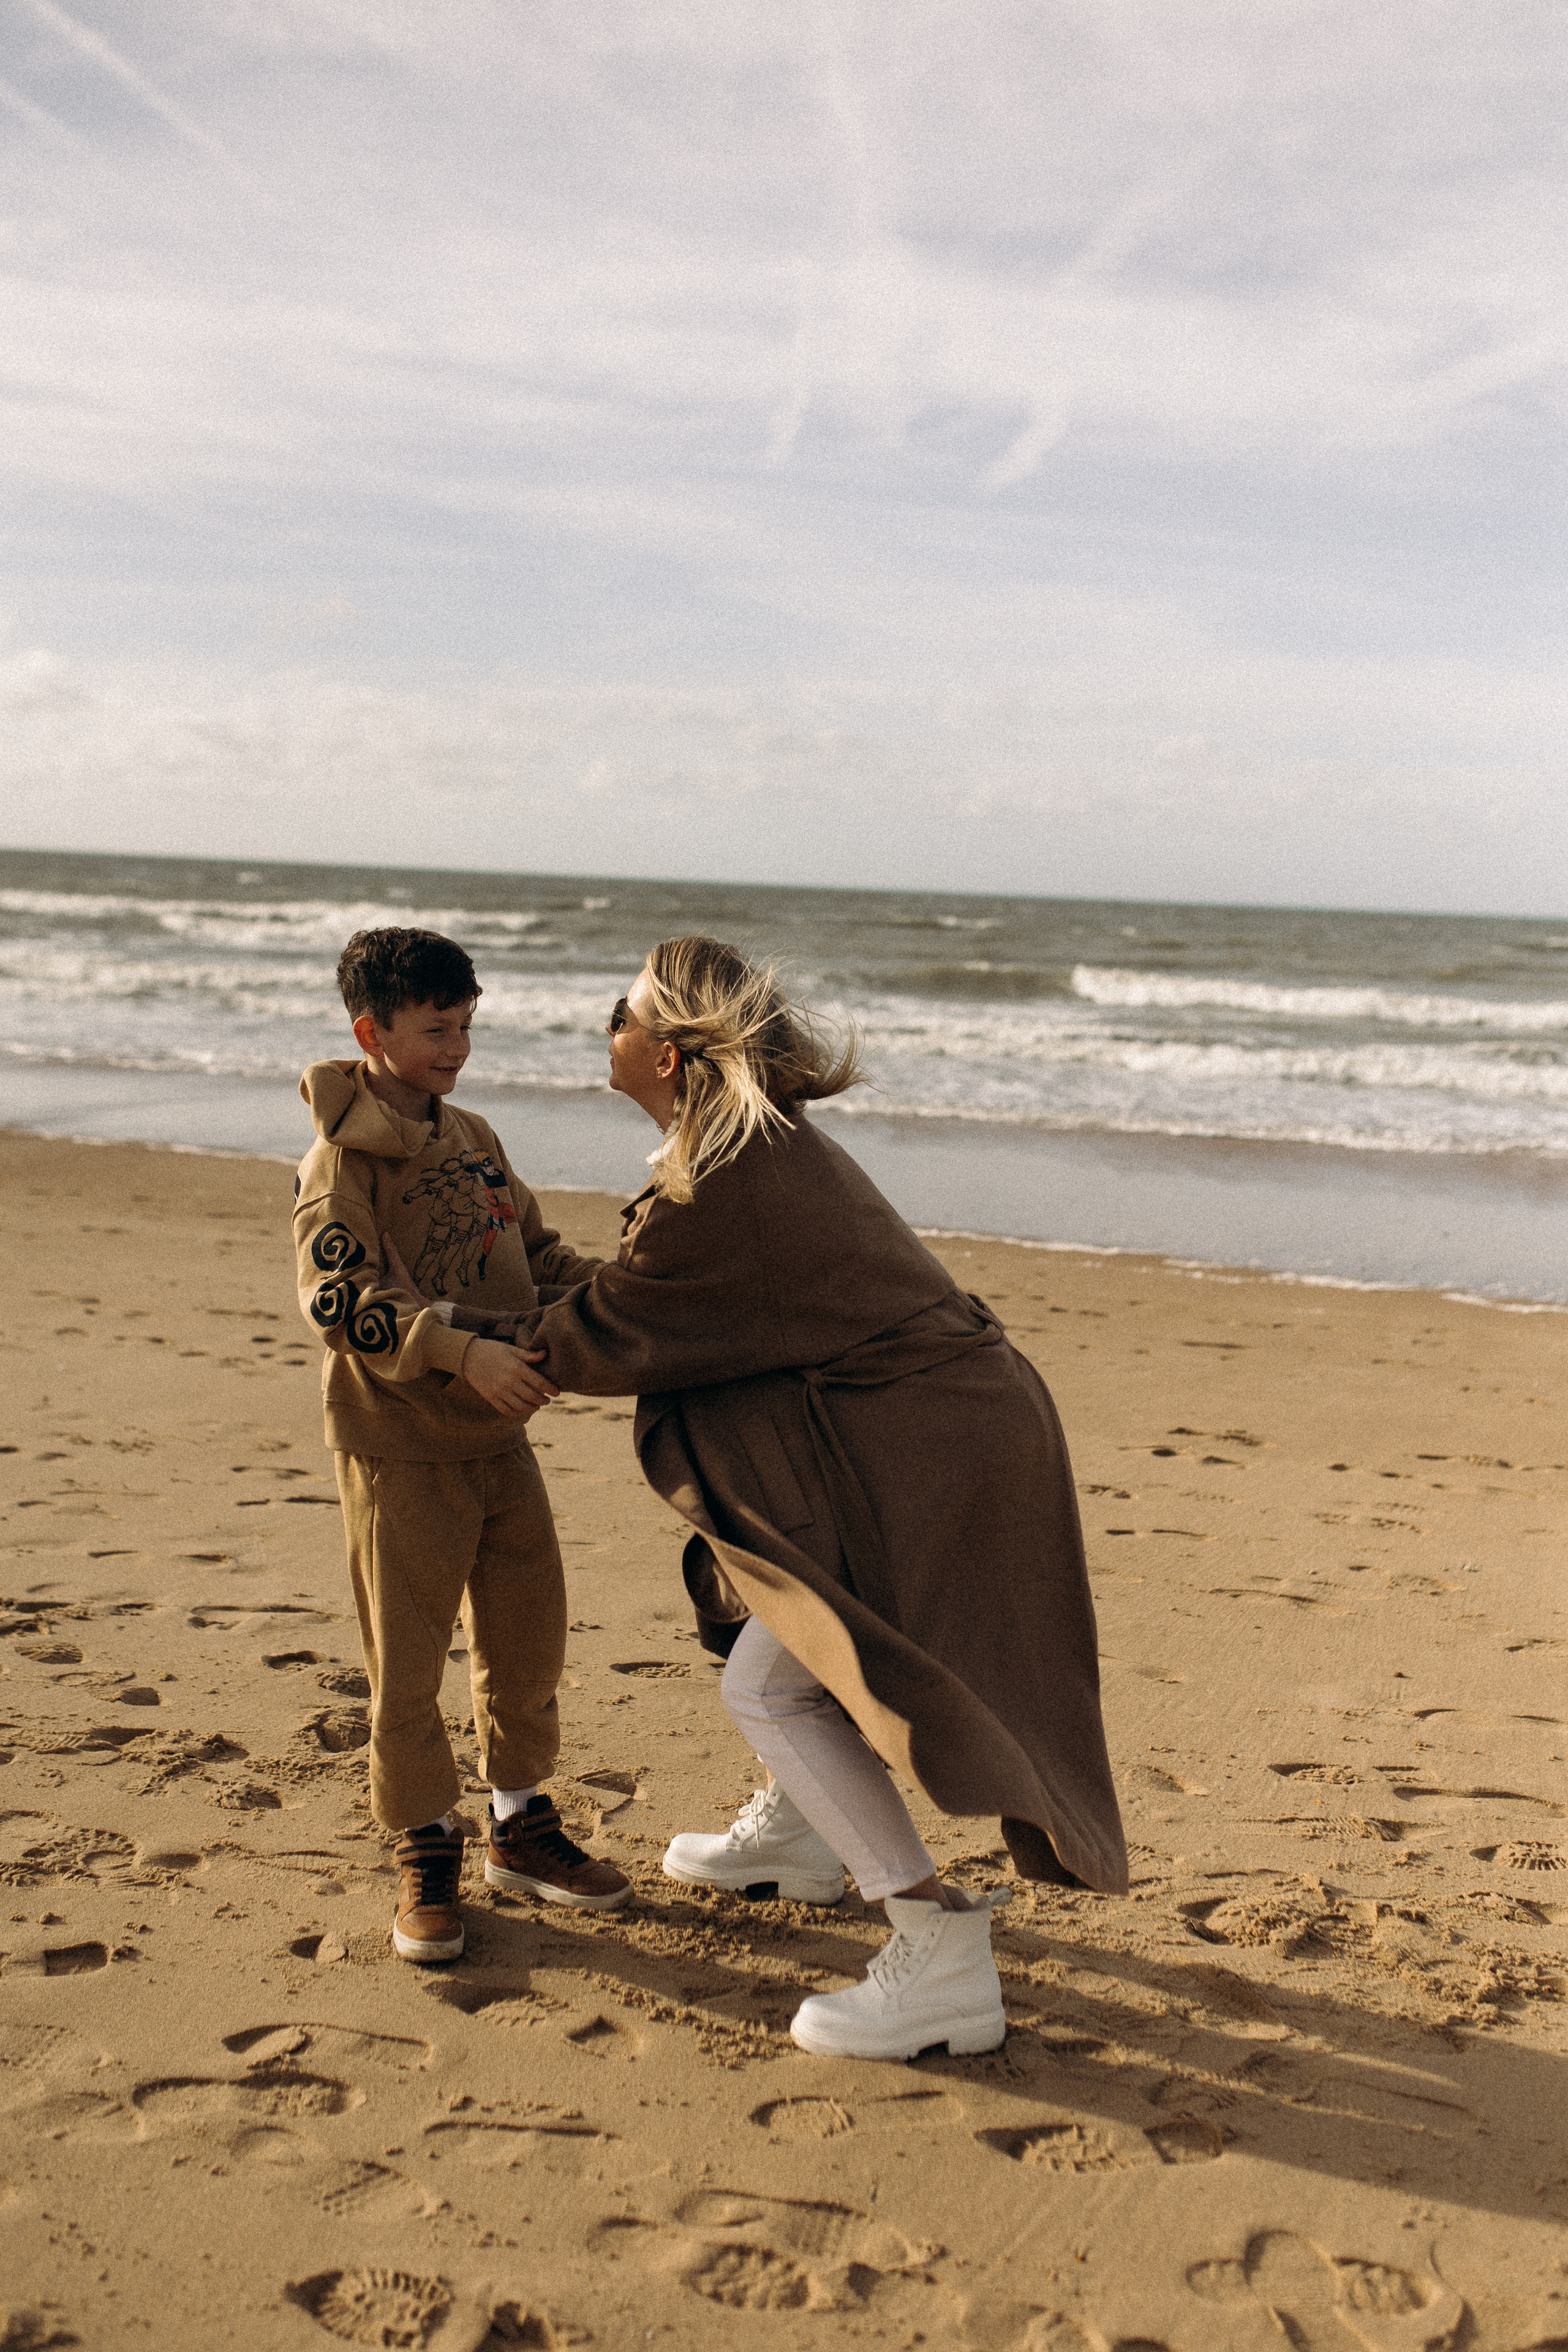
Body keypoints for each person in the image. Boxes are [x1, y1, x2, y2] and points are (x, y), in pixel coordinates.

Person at [401, 935, 1127, 2061]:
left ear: (676, 1054)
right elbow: (654, 1299)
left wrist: (434, 1338)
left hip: (933, 1451)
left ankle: (933, 1943)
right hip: (940, 1431)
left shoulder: (728, 1181)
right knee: (781, 1625)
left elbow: (607, 1334)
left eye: (623, 1011)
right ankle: (801, 1833)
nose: (610, 1027)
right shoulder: (740, 1151)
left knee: (774, 1687)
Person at [292, 925, 630, 1967]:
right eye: (437, 1029)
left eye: (467, 1026)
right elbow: (337, 1298)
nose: (458, 1047)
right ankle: (428, 1845)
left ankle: (519, 1825)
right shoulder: (340, 1160)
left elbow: (534, 1253)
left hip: (499, 1438)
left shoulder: (476, 1135)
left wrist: (626, 1293)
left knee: (528, 1638)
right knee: (408, 1666)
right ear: (372, 1031)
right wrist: (455, 1350)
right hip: (400, 1448)